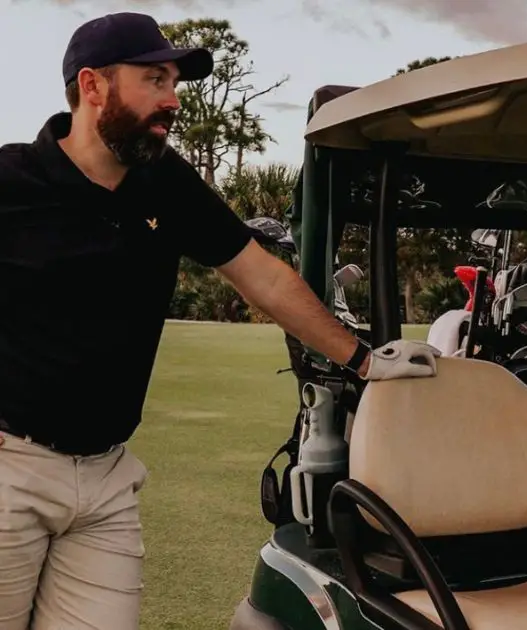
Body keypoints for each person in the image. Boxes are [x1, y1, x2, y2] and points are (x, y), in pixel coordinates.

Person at [0, 12, 440, 630]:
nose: (172, 99)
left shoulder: (164, 182)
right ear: (93, 85)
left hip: (105, 481)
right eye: (154, 79)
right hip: (9, 470)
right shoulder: (11, 180)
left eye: (174, 82)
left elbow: (260, 274)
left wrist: (365, 360)